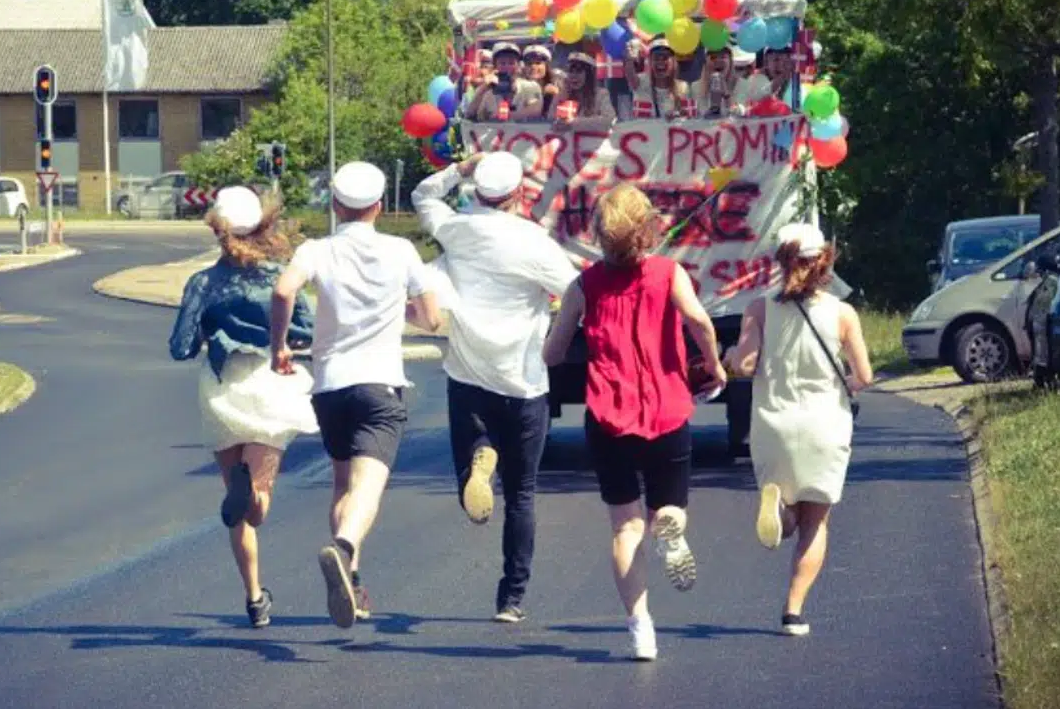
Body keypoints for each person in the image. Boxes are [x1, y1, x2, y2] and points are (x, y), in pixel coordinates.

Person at [542, 184, 725, 661]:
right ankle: (671, 527)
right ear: (647, 229)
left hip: (607, 417)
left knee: (625, 527)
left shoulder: (583, 286)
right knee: (669, 509)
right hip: (667, 410)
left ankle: (640, 629)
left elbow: (553, 352)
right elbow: (700, 322)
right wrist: (714, 363)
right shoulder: (668, 273)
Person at [270, 161, 444, 629]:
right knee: (368, 489)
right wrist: (402, 310)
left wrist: (280, 346)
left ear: (335, 205)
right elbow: (431, 320)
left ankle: (353, 581)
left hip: (329, 388)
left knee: (342, 485)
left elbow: (284, 289)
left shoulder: (316, 249)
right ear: (380, 206)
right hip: (379, 386)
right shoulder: (401, 250)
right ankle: (343, 549)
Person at [412, 151, 579, 623]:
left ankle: (477, 465)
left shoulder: (456, 228)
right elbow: (577, 291)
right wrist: (560, 333)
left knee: (473, 466)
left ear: (479, 190)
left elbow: (421, 194)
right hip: (524, 380)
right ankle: (512, 598)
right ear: (517, 194)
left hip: (468, 375)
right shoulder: (534, 241)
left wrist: (458, 170)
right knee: (522, 494)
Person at [169, 186, 318, 629]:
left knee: (237, 512)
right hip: (270, 384)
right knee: (259, 502)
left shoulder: (202, 282)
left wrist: (207, 334)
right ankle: (250, 492)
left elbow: (180, 347)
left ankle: (254, 598)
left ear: (218, 231)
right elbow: (305, 330)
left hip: (220, 386)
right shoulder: (279, 277)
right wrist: (283, 342)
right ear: (264, 226)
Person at [723, 222, 873, 637]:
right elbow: (864, 375)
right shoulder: (843, 314)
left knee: (791, 504)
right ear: (824, 260)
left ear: (780, 261)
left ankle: (781, 511)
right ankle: (793, 612)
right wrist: (845, 381)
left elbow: (746, 365)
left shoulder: (758, 309)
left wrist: (731, 354)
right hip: (824, 427)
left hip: (774, 426)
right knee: (816, 524)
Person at [465, 42, 543, 122]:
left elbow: (535, 111)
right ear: (495, 66)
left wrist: (507, 116)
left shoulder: (531, 86)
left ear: (518, 66)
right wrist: (483, 89)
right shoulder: (487, 90)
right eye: (502, 63)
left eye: (511, 63)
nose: (507, 67)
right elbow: (470, 115)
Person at [625, 38, 690, 120]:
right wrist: (629, 58)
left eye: (665, 58)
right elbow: (630, 74)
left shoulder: (682, 87)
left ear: (673, 62)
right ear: (650, 62)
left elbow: (688, 120)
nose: (660, 62)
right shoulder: (641, 82)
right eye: (656, 58)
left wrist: (677, 116)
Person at [552, 53, 617, 126]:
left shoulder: (601, 95)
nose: (573, 75)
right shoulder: (563, 95)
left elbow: (609, 120)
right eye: (570, 71)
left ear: (589, 75)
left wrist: (574, 122)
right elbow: (550, 122)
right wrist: (562, 98)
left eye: (579, 71)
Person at [523, 45, 563, 120]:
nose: (533, 67)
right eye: (529, 63)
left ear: (546, 66)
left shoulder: (558, 83)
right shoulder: (518, 86)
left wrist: (557, 96)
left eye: (538, 63)